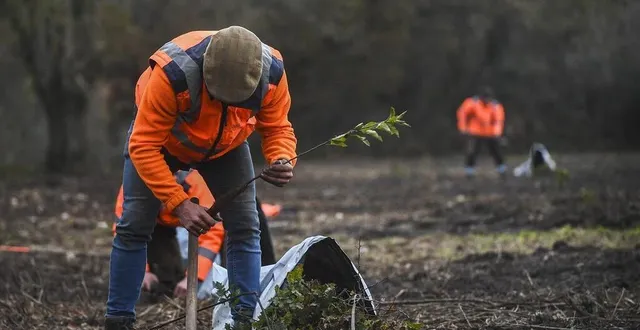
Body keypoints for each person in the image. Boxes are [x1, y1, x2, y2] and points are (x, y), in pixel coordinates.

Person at [106, 26, 297, 330]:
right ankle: (118, 320)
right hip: (162, 144)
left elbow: (277, 128)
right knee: (134, 226)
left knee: (246, 226)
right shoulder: (171, 74)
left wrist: (282, 157)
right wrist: (179, 203)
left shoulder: (272, 72)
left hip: (227, 148)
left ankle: (245, 321)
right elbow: (142, 146)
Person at [112, 169, 282, 301]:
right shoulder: (132, 189)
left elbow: (212, 235)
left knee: (236, 249)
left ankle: (253, 285)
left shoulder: (196, 183)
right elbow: (124, 233)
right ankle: (168, 280)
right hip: (157, 227)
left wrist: (194, 278)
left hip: (214, 218)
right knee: (165, 287)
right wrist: (143, 271)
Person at [456, 86, 507, 177]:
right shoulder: (473, 103)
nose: (487, 100)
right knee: (472, 151)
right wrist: (463, 128)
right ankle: (469, 171)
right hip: (475, 132)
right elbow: (462, 113)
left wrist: (497, 133)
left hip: (490, 133)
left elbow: (498, 121)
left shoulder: (495, 106)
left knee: (496, 151)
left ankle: (502, 169)